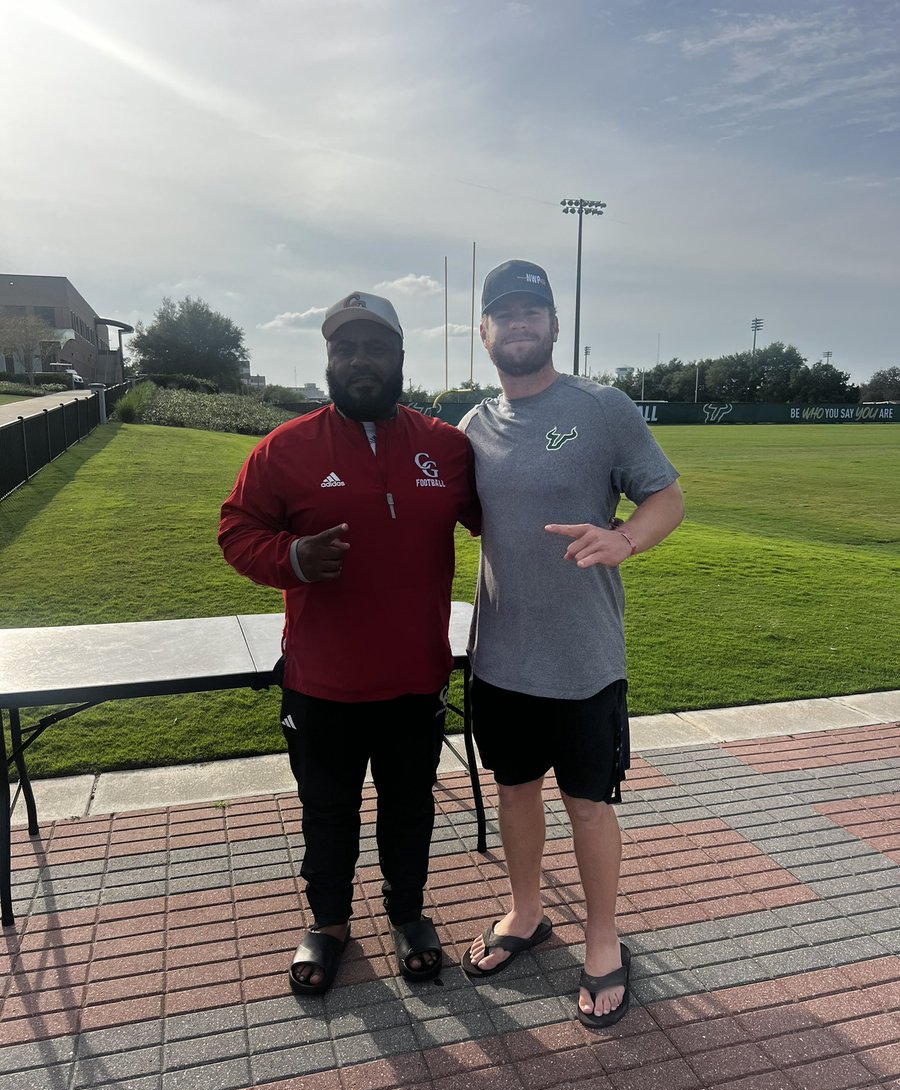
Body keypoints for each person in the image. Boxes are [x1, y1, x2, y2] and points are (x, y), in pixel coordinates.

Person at [219, 291, 479, 995]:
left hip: (413, 676)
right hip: (322, 682)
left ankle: (407, 915)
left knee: (409, 806)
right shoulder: (284, 449)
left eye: (373, 347)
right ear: (330, 360)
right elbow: (236, 532)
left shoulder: (446, 447)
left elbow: (505, 512)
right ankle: (329, 922)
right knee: (326, 811)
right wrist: (294, 558)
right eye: (344, 349)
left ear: (399, 357)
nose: (359, 360)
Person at [460, 260, 684, 1029]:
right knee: (514, 792)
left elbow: (666, 496)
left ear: (554, 326)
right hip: (500, 659)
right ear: (482, 332)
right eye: (504, 313)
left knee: (589, 806)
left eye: (534, 311)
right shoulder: (473, 427)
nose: (519, 324)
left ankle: (601, 937)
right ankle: (525, 914)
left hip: (585, 660)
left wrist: (625, 540)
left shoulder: (602, 408)